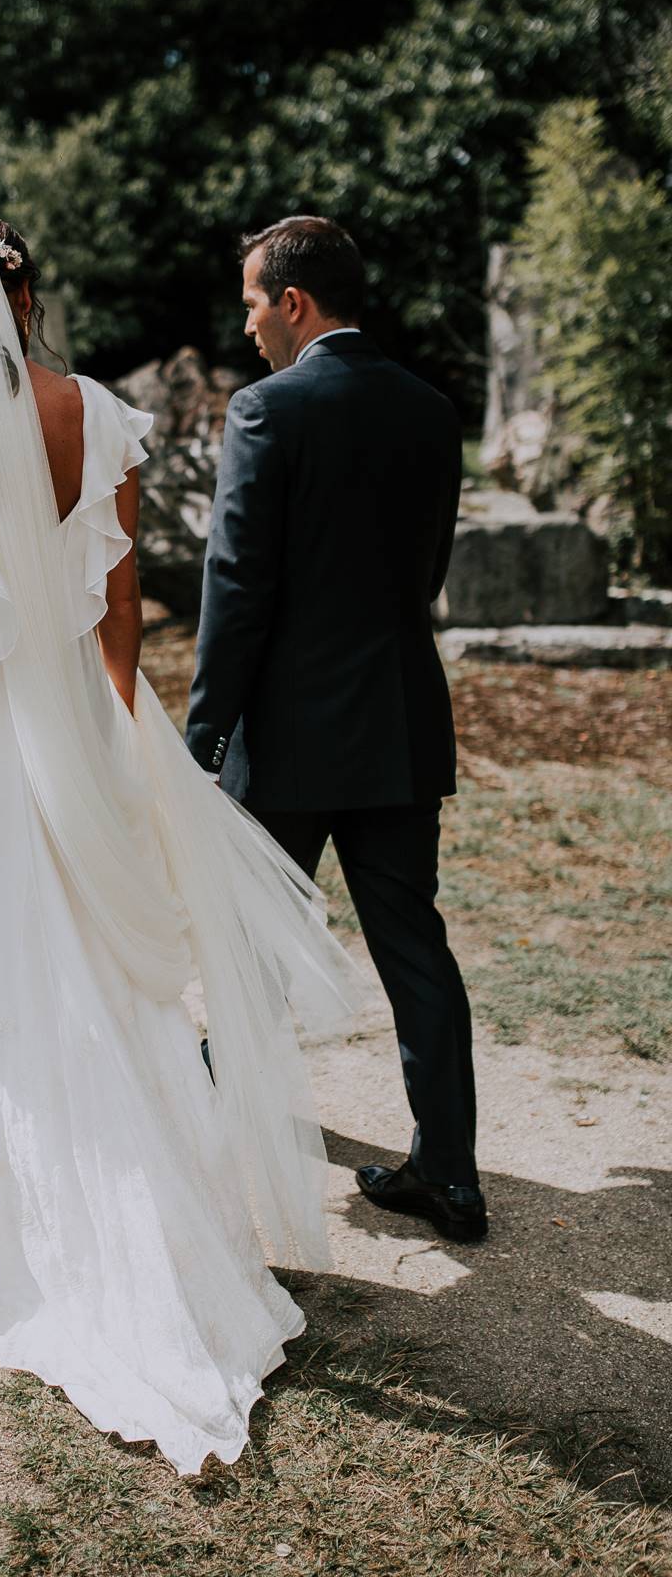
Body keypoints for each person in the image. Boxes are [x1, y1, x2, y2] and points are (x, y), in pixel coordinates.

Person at [0, 213, 375, 1477]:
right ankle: (135, 1216)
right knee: (80, 952)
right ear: (28, 295)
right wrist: (113, 730)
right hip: (67, 703)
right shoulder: (104, 417)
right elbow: (121, 610)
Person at [185, 216, 486, 1243]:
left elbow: (237, 583)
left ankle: (211, 1149)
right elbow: (424, 573)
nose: (253, 330)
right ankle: (450, 1175)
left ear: (296, 303)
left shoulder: (268, 410)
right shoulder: (431, 411)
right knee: (415, 947)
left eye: (256, 307)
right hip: (400, 719)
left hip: (291, 736)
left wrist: (206, 729)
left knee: (251, 943)